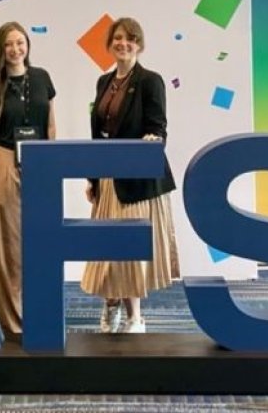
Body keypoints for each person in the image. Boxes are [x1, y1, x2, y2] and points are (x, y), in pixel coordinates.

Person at [81, 17, 179, 334]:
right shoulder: (103, 82)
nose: (124, 43)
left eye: (131, 38)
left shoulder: (150, 81)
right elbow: (98, 135)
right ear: (110, 43)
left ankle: (135, 317)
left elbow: (158, 127)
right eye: (118, 38)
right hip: (108, 177)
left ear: (139, 45)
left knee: (127, 250)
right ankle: (111, 307)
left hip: (136, 180)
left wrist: (153, 140)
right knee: (106, 247)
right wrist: (93, 178)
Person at [0, 21, 56, 335]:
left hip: (39, 164)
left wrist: (52, 166)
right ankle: (13, 322)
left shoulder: (42, 78)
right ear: (0, 49)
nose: (15, 49)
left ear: (27, 45)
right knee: (8, 247)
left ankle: (38, 312)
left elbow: (51, 127)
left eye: (20, 42)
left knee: (39, 242)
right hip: (2, 162)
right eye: (8, 44)